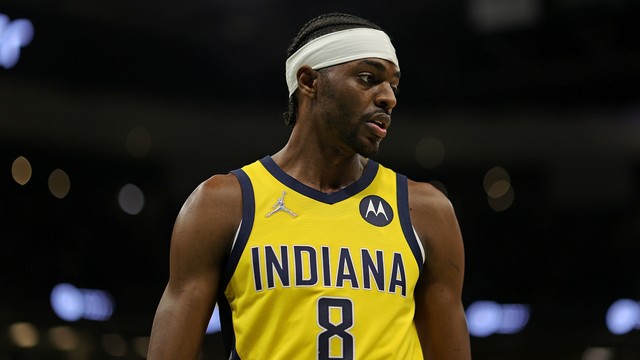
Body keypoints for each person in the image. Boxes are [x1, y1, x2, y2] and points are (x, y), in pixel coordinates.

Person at [147, 12, 471, 360]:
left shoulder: (424, 210)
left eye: (392, 85)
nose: (388, 97)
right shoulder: (224, 204)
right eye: (368, 78)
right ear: (308, 82)